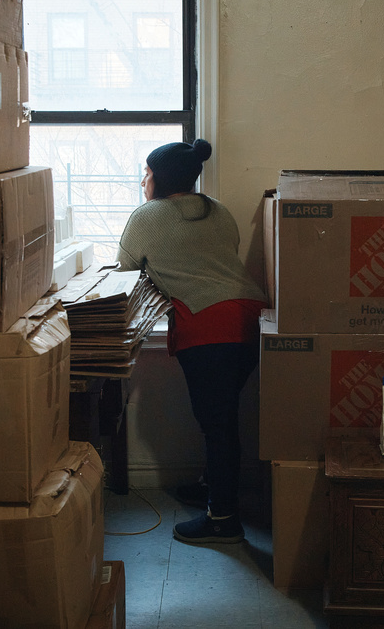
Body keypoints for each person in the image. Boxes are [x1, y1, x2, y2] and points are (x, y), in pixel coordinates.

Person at [117, 138, 266, 544]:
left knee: (217, 425)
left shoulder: (148, 216)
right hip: (252, 318)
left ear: (159, 178)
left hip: (209, 325)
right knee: (222, 415)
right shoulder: (218, 210)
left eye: (146, 173)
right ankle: (211, 488)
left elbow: (125, 270)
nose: (143, 180)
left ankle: (223, 518)